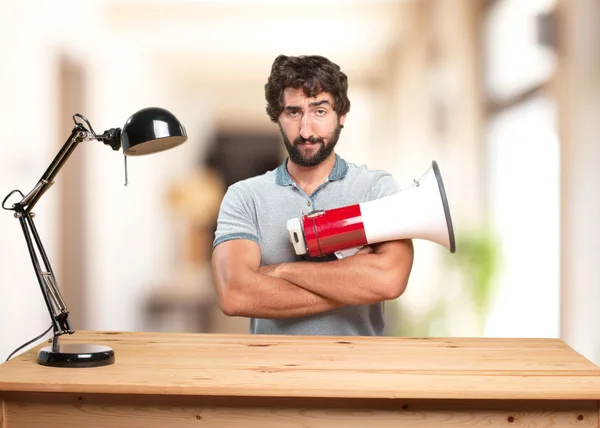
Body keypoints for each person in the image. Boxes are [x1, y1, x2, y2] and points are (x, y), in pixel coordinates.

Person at [211, 54, 414, 336]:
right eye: (293, 113)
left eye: (320, 111)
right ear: (277, 117)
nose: (306, 131)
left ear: (341, 115)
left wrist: (283, 271)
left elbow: (390, 280)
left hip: (358, 373)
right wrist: (352, 281)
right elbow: (235, 294)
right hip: (270, 373)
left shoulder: (376, 189)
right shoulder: (244, 196)